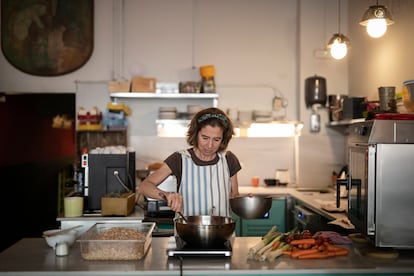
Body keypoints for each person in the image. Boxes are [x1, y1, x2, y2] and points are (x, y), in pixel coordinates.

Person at [136, 107, 241, 217]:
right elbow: (144, 186)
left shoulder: (228, 159)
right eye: (205, 138)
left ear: (223, 139)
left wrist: (247, 201)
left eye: (216, 139)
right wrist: (167, 195)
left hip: (222, 231)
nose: (210, 145)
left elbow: (234, 196)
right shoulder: (180, 159)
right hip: (187, 231)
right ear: (196, 134)